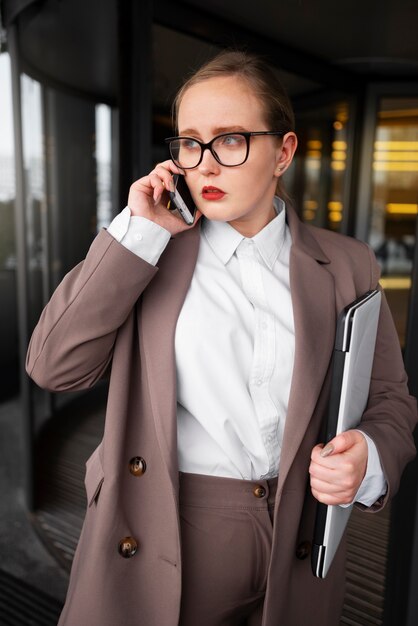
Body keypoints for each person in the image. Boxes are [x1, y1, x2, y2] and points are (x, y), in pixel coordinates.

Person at [26, 50, 417, 626]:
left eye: (230, 139)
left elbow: (390, 400)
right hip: (169, 522)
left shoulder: (347, 263)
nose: (204, 164)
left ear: (283, 152)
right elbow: (53, 366)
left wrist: (370, 456)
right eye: (189, 142)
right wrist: (136, 234)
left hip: (300, 530)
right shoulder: (149, 252)